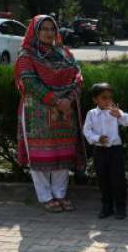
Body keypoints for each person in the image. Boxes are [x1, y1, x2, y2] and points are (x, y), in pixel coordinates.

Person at [14, 15, 84, 213]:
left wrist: (68, 100)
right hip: (37, 112)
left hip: (64, 111)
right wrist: (55, 101)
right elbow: (29, 82)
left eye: (51, 29)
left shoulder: (65, 53)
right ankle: (45, 197)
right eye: (43, 28)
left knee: (63, 153)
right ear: (35, 31)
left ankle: (60, 194)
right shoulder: (26, 55)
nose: (48, 32)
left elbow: (78, 77)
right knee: (41, 155)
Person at [83, 82, 128, 219]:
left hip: (115, 150)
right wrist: (97, 138)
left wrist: (120, 115)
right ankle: (107, 206)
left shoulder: (115, 111)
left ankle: (121, 207)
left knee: (118, 179)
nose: (108, 100)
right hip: (100, 151)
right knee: (103, 179)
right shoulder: (92, 114)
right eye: (104, 98)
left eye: (110, 97)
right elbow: (87, 131)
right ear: (95, 99)